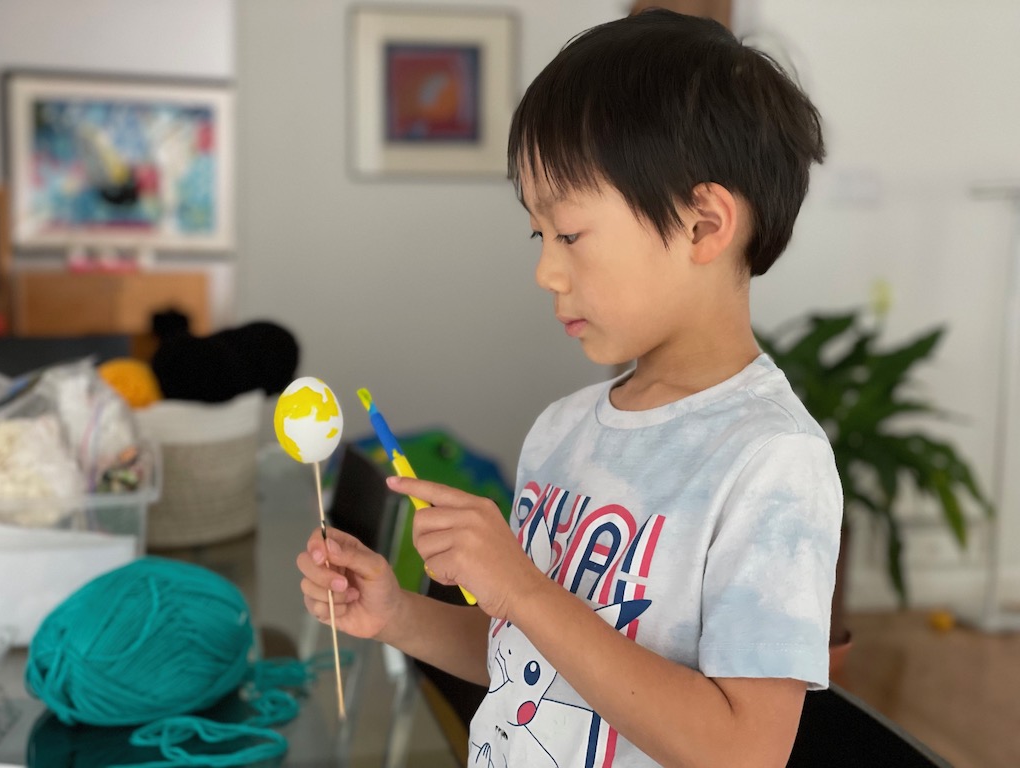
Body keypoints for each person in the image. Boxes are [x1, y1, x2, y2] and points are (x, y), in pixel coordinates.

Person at [298, 9, 841, 767]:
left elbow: (743, 749)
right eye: (538, 236)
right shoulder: (561, 432)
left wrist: (522, 588)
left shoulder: (773, 462)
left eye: (570, 234)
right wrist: (397, 615)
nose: (546, 272)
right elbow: (529, 661)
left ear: (702, 225)